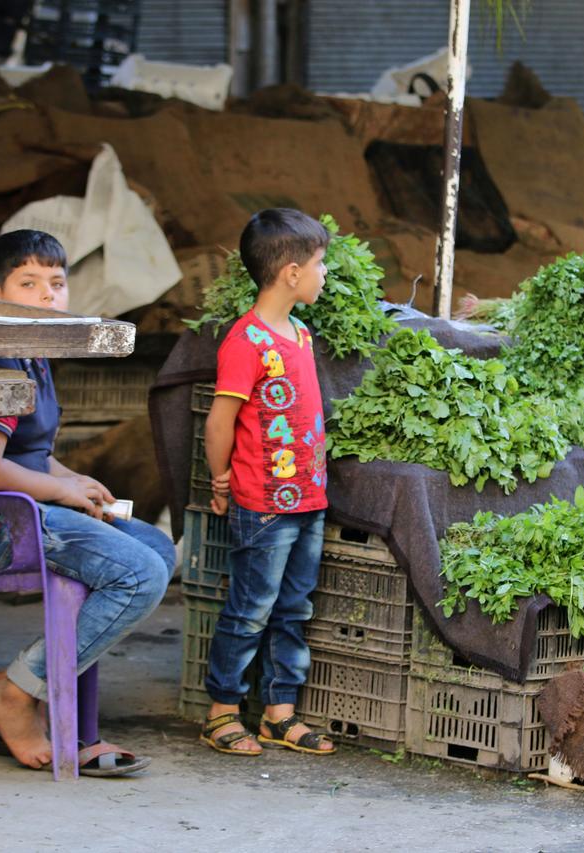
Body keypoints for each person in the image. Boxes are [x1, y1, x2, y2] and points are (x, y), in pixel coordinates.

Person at [0, 229, 175, 776]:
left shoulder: (35, 354)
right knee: (139, 575)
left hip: (12, 508)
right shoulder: (0, 361)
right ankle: (17, 695)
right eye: (29, 283)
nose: (48, 295)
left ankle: (25, 680)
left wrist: (75, 479)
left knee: (155, 546)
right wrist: (60, 492)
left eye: (56, 283)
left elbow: (30, 453)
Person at [199, 209, 336, 756]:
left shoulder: (300, 334)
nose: (326, 276)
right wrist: (220, 478)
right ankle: (222, 710)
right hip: (262, 506)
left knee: (294, 608)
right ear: (292, 273)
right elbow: (220, 419)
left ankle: (279, 713)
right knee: (251, 607)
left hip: (309, 500)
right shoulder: (245, 341)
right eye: (322, 265)